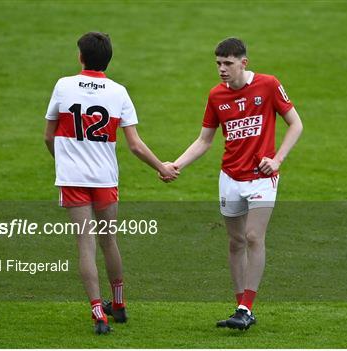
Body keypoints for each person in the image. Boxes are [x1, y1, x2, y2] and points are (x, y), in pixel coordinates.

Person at [44, 32, 179, 334]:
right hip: (105, 178)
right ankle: (118, 303)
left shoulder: (64, 86)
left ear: (81, 56)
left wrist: (63, 160)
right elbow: (134, 145)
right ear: (108, 59)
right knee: (109, 240)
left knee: (85, 243)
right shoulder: (118, 92)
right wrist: (162, 167)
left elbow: (48, 136)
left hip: (73, 178)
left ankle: (97, 312)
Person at [166, 37, 303, 330]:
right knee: (236, 241)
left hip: (262, 178)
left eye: (228, 63)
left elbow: (296, 124)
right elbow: (204, 140)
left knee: (254, 237)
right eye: (218, 63)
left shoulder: (267, 85)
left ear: (244, 63)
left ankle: (246, 307)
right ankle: (240, 307)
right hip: (229, 178)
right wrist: (177, 164)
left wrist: (277, 159)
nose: (222, 69)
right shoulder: (216, 96)